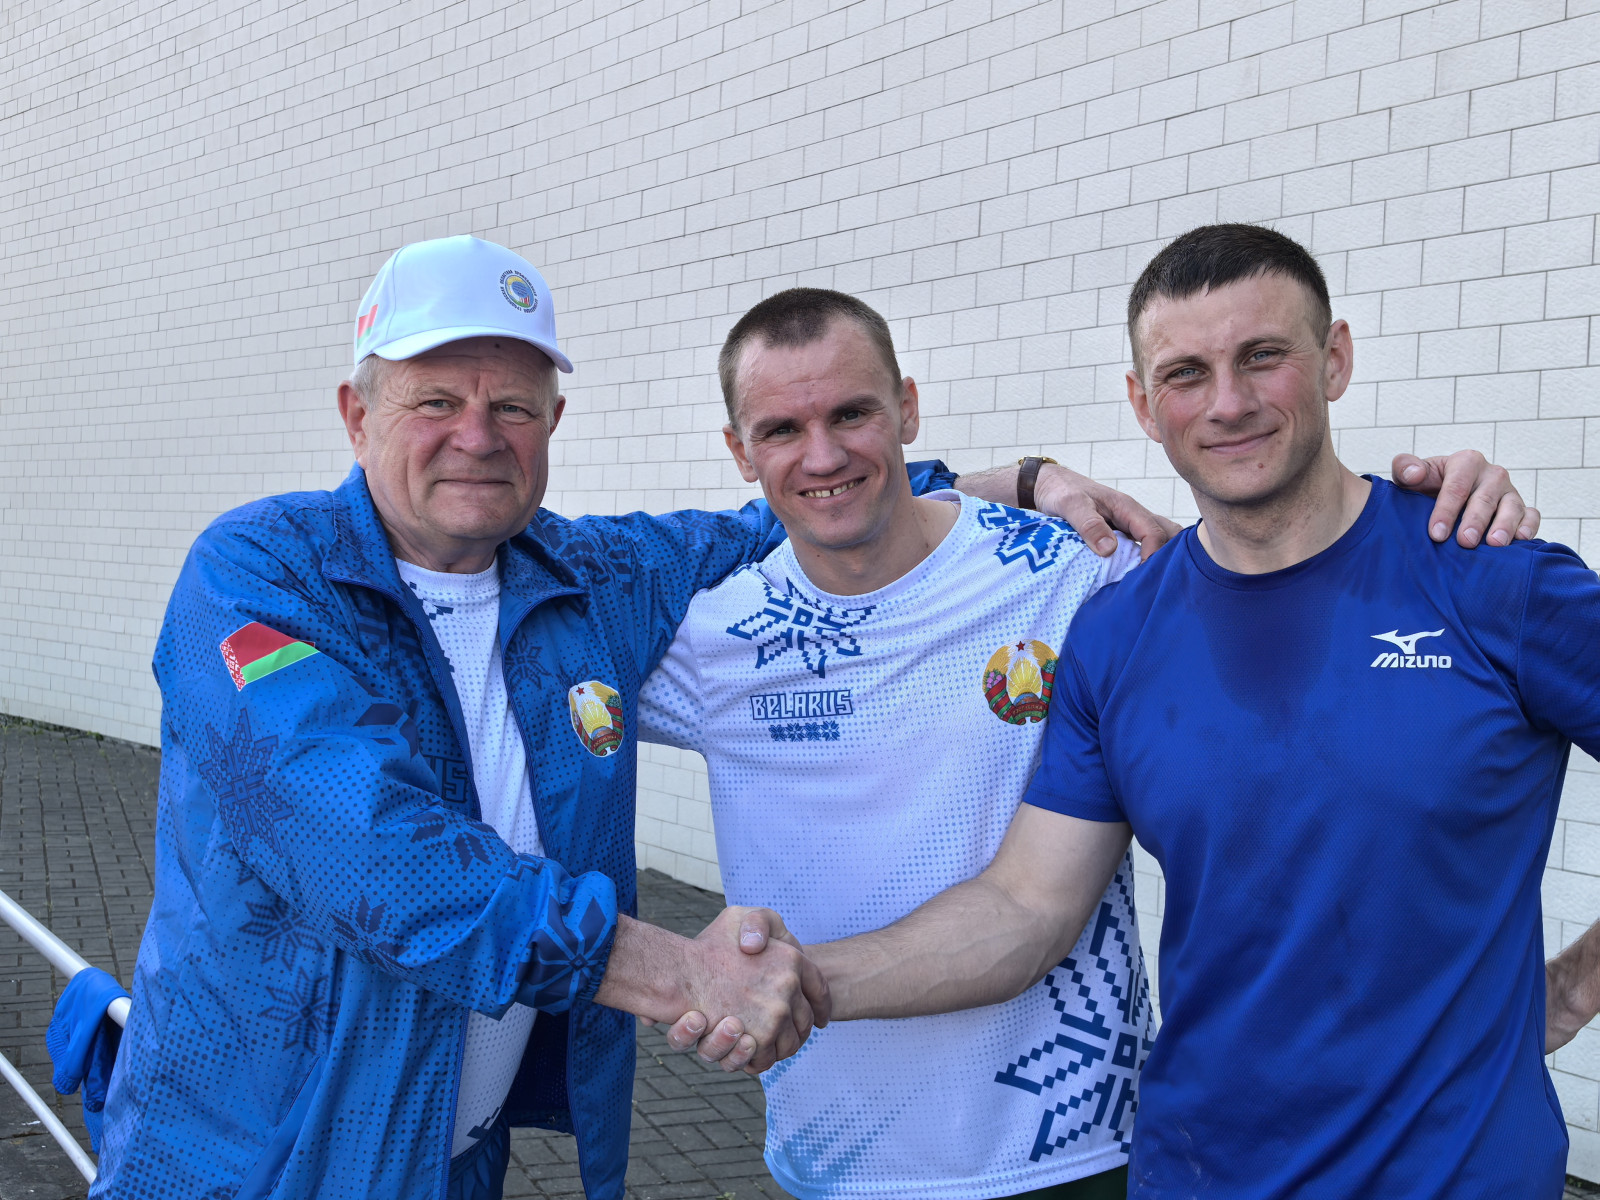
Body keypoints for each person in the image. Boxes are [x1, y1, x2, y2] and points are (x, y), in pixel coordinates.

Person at [89, 235, 1189, 1200]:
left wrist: (1016, 480)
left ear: (552, 422)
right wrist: (682, 974)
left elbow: (792, 507)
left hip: (451, 1157)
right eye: (434, 401)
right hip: (254, 1162)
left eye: (512, 406)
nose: (477, 435)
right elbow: (363, 845)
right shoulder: (260, 573)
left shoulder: (579, 579)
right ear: (355, 414)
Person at [685, 224, 1599, 1198]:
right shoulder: (1118, 631)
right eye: (1185, 374)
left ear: (1333, 360)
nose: (1228, 403)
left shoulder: (1489, 579)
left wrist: (1570, 989)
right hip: (1194, 1171)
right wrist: (797, 982)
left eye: (1263, 356)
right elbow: (1025, 909)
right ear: (1142, 403)